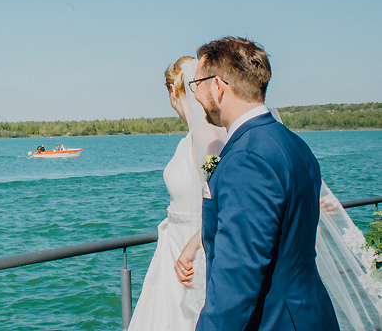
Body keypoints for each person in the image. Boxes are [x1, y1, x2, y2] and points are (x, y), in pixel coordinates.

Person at [188, 37, 338, 330]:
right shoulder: (294, 144)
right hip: (311, 314)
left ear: (218, 86)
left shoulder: (247, 159)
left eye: (198, 84)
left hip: (274, 321)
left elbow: (237, 277)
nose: (195, 95)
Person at [127, 56, 227, 331]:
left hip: (192, 249)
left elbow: (220, 197)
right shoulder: (193, 137)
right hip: (173, 245)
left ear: (173, 92)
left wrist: (194, 244)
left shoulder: (208, 136)